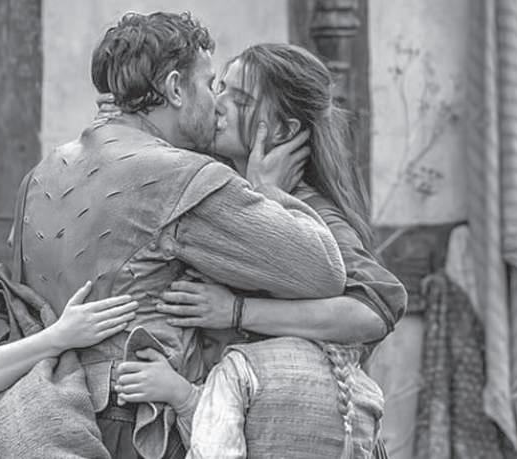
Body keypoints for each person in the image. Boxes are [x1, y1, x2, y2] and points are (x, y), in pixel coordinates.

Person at [0, 12, 353, 459]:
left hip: (52, 420)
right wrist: (268, 189)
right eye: (209, 85)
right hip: (142, 426)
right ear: (176, 88)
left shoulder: (38, 176)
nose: (216, 103)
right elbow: (323, 270)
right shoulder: (182, 177)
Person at [111, 43, 407, 458]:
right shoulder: (212, 182)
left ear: (283, 130)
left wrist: (235, 311)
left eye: (241, 101)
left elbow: (373, 309)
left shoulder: (313, 212)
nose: (218, 104)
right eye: (221, 88)